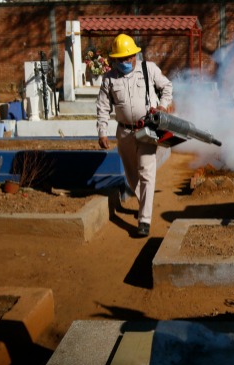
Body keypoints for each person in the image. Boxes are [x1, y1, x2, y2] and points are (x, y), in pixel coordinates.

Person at [96, 34, 173, 237]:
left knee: (147, 172)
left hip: (147, 129)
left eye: (128, 57)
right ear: (114, 59)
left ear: (134, 55)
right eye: (120, 59)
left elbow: (167, 86)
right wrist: (102, 131)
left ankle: (144, 220)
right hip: (124, 132)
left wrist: (163, 106)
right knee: (132, 176)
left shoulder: (149, 69)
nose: (125, 62)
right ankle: (144, 204)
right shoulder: (109, 79)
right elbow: (103, 107)